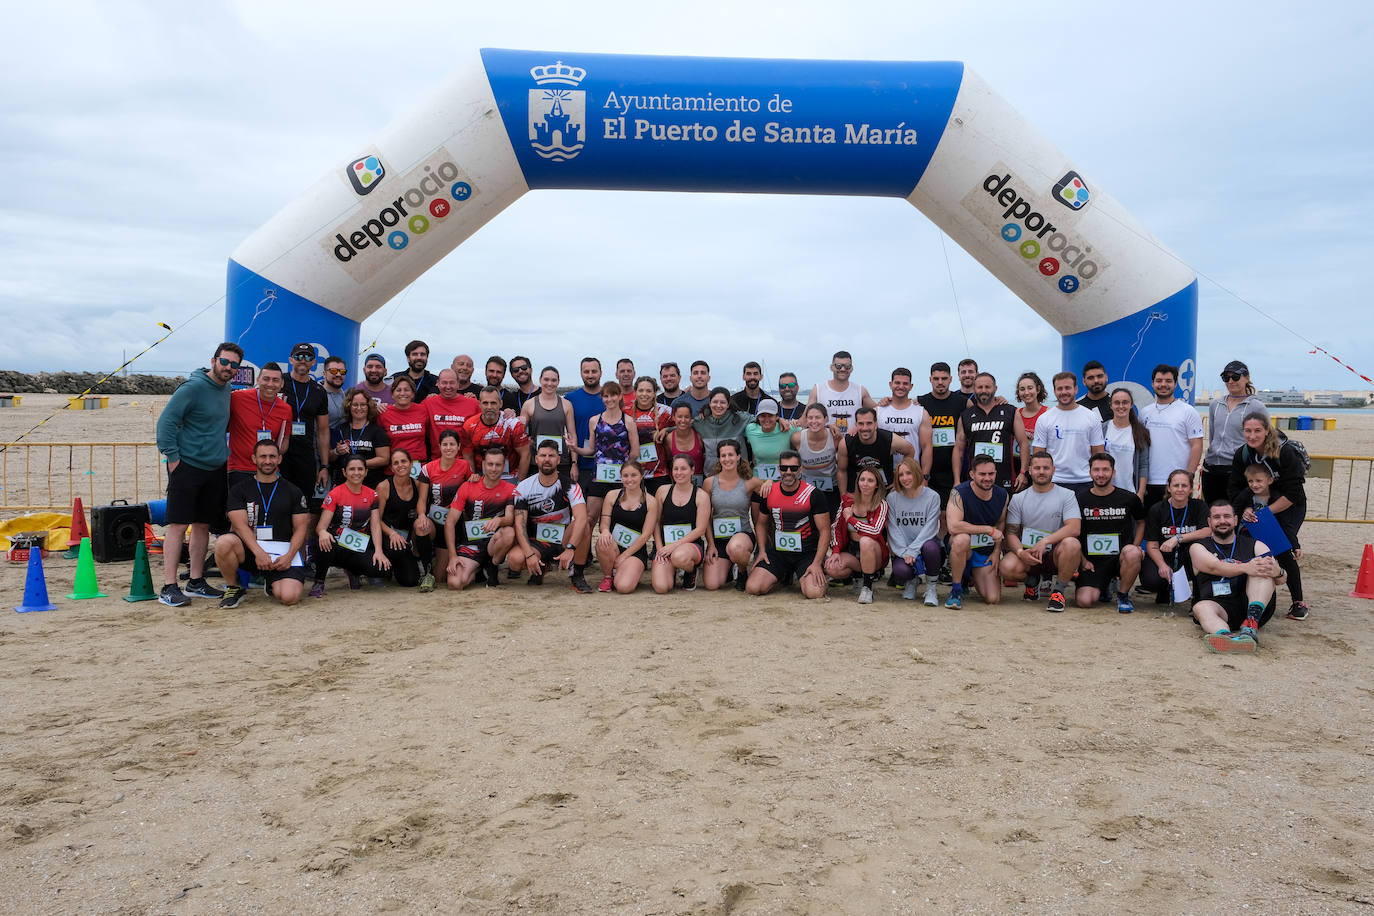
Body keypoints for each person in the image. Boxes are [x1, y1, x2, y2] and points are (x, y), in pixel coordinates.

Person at [154, 341, 238, 606]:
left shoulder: (227, 390)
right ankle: (168, 586)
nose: (228, 368)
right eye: (224, 362)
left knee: (203, 525)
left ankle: (196, 581)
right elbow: (166, 422)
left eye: (234, 365)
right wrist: (173, 457)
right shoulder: (193, 387)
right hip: (188, 465)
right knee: (178, 524)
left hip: (215, 467)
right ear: (213, 360)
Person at [1229, 412, 1308, 619]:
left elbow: (1294, 493)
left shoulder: (1286, 453)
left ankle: (1298, 602)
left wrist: (1265, 514)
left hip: (1288, 505)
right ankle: (1251, 595)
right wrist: (1244, 509)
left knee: (1282, 549)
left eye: (1257, 431)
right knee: (1249, 548)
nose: (1252, 435)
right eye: (1248, 431)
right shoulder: (1243, 454)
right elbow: (1235, 489)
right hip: (1256, 505)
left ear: (1267, 431)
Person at [216, 439, 310, 609]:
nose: (268, 461)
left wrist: (289, 556)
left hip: (282, 553)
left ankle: (270, 582)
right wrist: (259, 552)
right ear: (254, 459)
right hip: (252, 550)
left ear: (279, 459)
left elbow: (301, 528)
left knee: (290, 598)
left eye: (272, 456)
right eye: (263, 456)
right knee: (223, 542)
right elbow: (240, 526)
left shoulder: (293, 491)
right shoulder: (239, 490)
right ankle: (233, 588)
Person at [568, 381, 638, 586]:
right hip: (599, 478)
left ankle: (617, 563)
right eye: (605, 396)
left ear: (619, 397)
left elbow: (634, 453)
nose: (609, 399)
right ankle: (580, 563)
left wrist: (628, 474)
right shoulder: (594, 421)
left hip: (621, 481)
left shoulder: (629, 422)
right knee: (589, 519)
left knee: (618, 521)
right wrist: (576, 449)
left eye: (612, 396)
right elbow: (590, 449)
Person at [1190, 501, 1284, 653]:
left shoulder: (1256, 545)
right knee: (1200, 607)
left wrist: (1278, 572)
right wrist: (1246, 567)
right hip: (1219, 606)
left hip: (1252, 604)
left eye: (1227, 516)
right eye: (1216, 517)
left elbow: (1280, 578)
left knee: (1261, 571)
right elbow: (1215, 567)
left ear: (1235, 520)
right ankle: (1227, 638)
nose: (1222, 521)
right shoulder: (1198, 547)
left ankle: (1250, 626)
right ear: (1209, 522)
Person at [1001, 453, 1083, 613]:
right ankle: (1032, 582)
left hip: (1055, 554)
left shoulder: (1067, 495)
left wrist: (1045, 541)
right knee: (1007, 567)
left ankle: (1058, 592)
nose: (1041, 471)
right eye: (1037, 468)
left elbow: (1074, 528)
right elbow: (1011, 532)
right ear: (1029, 470)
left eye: (1046, 468)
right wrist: (1020, 552)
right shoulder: (1018, 498)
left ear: (1053, 470)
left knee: (1072, 544)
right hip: (1029, 554)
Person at [747, 450, 830, 599]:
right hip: (779, 553)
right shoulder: (770, 491)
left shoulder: (813, 494)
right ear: (779, 469)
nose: (788, 472)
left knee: (814, 593)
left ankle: (813, 572)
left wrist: (817, 562)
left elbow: (825, 531)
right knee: (753, 587)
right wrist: (762, 551)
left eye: (793, 468)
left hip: (806, 553)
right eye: (784, 468)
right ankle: (783, 574)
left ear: (800, 469)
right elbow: (760, 524)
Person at [508, 441, 590, 591]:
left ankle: (577, 574)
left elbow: (581, 517)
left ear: (558, 460)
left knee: (584, 525)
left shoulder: (570, 485)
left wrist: (571, 548)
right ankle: (540, 567)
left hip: (563, 538)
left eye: (551, 456)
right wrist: (529, 555)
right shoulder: (524, 487)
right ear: (536, 459)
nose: (547, 459)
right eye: (543, 455)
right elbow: (520, 525)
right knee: (515, 560)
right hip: (537, 541)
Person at [311, 455, 390, 597]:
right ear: (344, 472)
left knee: (380, 568)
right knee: (323, 541)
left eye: (360, 469)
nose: (356, 472)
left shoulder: (372, 494)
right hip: (335, 544)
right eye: (352, 469)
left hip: (358, 545)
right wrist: (323, 532)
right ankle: (319, 581)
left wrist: (379, 551)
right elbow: (320, 527)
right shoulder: (335, 493)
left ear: (366, 472)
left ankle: (353, 571)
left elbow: (375, 525)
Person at [1075, 453, 1145, 612]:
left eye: (1105, 470)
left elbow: (1141, 522)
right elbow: (1072, 531)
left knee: (1133, 553)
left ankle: (1123, 595)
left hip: (1121, 557)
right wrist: (1082, 559)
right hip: (1092, 562)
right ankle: (1104, 586)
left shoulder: (1129, 498)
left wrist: (1135, 546)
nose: (1101, 474)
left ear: (1113, 473)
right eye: (1096, 470)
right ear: (1090, 472)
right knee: (1084, 601)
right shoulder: (1079, 499)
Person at [1238, 462, 1307, 620]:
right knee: (1248, 565)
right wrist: (1245, 510)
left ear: (1269, 480)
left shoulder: (1276, 497)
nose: (1254, 485)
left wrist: (1295, 545)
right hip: (1249, 537)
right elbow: (1234, 509)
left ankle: (1298, 602)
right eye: (1250, 481)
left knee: (1289, 563)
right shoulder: (1245, 494)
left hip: (1274, 535)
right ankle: (1244, 599)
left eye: (1259, 481)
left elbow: (1286, 524)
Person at [445, 447, 519, 590]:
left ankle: (492, 565)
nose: (494, 468)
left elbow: (510, 518)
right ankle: (478, 570)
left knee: (509, 532)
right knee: (455, 584)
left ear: (504, 466)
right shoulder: (467, 486)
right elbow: (450, 522)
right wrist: (452, 556)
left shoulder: (511, 489)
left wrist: (500, 520)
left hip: (494, 543)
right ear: (483, 464)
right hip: (471, 544)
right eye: (490, 464)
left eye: (498, 465)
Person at [943, 453, 1009, 608]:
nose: (987, 478)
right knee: (961, 539)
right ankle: (956, 590)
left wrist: (996, 551)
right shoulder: (959, 492)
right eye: (982, 474)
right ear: (972, 474)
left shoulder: (1002, 495)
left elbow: (1001, 523)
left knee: (993, 598)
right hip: (963, 547)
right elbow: (953, 526)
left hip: (984, 551)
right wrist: (987, 530)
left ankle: (968, 575)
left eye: (991, 473)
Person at [1202, 360, 1268, 504]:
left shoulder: (1256, 406)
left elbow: (1265, 440)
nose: (1231, 381)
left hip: (1238, 470)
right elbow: (1213, 436)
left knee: (1236, 515)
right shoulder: (1215, 404)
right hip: (1211, 469)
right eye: (1226, 378)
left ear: (1247, 378)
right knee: (1213, 514)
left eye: (1235, 377)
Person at [1141, 469, 1210, 604]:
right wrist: (1162, 565)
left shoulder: (1199, 506)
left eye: (1184, 486)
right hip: (1163, 556)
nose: (1180, 489)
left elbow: (1207, 531)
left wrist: (1177, 538)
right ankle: (1164, 590)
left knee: (1200, 553)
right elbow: (1152, 545)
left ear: (1190, 489)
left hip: (1188, 557)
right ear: (1169, 488)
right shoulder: (1157, 509)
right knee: (1151, 580)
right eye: (1176, 485)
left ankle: (1198, 598)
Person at [1141, 364, 1204, 512]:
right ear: (1152, 383)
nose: (1163, 384)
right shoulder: (1144, 413)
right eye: (1159, 380)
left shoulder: (1188, 412)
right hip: (1149, 481)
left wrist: (1189, 476)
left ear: (1175, 384)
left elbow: (1197, 445)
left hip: (1177, 483)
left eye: (1168, 381)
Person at [702, 440, 763, 591]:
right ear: (719, 458)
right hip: (719, 539)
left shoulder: (751, 482)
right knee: (712, 584)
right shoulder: (709, 483)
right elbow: (705, 518)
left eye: (731, 455)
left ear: (738, 456)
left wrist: (768, 483)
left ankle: (742, 571)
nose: (727, 459)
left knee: (736, 548)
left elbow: (775, 491)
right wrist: (710, 545)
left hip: (742, 535)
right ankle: (728, 567)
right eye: (723, 455)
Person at [1031, 371, 1105, 494]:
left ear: (1075, 389)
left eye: (1068, 388)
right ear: (1054, 391)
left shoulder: (1091, 417)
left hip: (1085, 481)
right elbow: (1039, 456)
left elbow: (1098, 453)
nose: (1064, 392)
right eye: (1059, 388)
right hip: (1054, 481)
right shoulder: (1044, 419)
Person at [952, 372, 1026, 492]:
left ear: (995, 388)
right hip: (976, 478)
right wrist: (956, 480)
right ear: (974, 389)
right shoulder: (966, 415)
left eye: (987, 387)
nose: (984, 390)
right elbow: (958, 449)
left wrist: (1023, 472)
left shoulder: (1010, 411)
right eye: (980, 387)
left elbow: (1023, 443)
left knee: (1005, 509)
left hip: (1005, 475)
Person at [826, 467, 890, 605]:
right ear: (857, 482)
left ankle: (867, 587)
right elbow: (835, 528)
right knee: (832, 567)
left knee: (866, 541)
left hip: (874, 551)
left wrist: (851, 520)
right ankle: (858, 575)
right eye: (862, 479)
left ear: (877, 484)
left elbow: (875, 531)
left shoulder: (882, 504)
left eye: (870, 481)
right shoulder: (847, 501)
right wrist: (836, 551)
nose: (865, 484)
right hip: (852, 550)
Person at [374, 448, 436, 590]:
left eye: (403, 461)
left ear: (411, 464)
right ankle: (389, 567)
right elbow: (376, 519)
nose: (400, 465)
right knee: (397, 553)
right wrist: (392, 533)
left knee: (410, 581)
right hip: (389, 535)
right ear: (391, 468)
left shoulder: (418, 485)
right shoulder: (384, 487)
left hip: (409, 538)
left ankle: (426, 571)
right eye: (396, 463)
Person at [226, 360, 292, 490]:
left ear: (282, 384)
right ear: (258, 379)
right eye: (266, 379)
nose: (270, 384)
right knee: (238, 510)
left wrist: (273, 454)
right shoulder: (237, 398)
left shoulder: (286, 409)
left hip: (268, 471)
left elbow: (285, 439)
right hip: (239, 469)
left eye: (275, 380)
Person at [595, 459, 658, 594]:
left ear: (641, 476)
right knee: (602, 540)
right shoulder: (612, 496)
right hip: (612, 546)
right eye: (625, 476)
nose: (629, 479)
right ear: (621, 477)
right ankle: (608, 576)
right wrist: (605, 531)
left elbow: (646, 535)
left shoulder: (651, 501)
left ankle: (624, 571)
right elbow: (604, 522)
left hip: (635, 550)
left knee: (624, 587)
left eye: (633, 475)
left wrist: (624, 556)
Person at [886, 457, 942, 605]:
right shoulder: (892, 498)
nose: (904, 478)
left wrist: (913, 550)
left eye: (908, 473)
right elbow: (893, 529)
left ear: (917, 473)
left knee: (931, 548)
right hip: (904, 550)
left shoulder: (932, 497)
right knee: (900, 571)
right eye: (900, 475)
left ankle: (931, 588)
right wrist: (905, 553)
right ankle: (912, 581)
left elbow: (930, 528)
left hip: (925, 546)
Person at [419, 430, 473, 580]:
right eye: (445, 444)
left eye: (452, 444)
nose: (448, 448)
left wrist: (474, 478)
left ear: (458, 446)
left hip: (454, 521)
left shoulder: (464, 466)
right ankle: (424, 565)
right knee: (420, 525)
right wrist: (422, 515)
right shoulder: (428, 468)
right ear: (439, 446)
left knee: (441, 577)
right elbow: (422, 500)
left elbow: (471, 490)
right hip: (435, 522)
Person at [282, 342, 332, 507]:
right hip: (279, 454)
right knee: (278, 505)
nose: (303, 360)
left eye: (308, 357)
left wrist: (324, 466)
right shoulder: (279, 382)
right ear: (291, 360)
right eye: (299, 356)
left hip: (305, 458)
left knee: (302, 506)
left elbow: (323, 431)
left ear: (313, 362)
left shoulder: (319, 391)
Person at [653, 454, 711, 593]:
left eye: (683, 469)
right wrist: (660, 548)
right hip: (666, 547)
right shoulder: (662, 491)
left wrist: (674, 546)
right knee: (661, 588)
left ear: (692, 470)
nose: (679, 473)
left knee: (679, 556)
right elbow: (655, 522)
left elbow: (700, 529)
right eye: (676, 469)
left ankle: (690, 571)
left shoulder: (701, 495)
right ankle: (671, 571)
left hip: (690, 547)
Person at [917, 362, 963, 517]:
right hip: (928, 470)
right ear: (930, 379)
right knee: (927, 515)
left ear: (951, 379)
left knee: (947, 515)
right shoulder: (919, 402)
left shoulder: (962, 403)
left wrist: (998, 400)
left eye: (944, 378)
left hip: (953, 470)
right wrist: (885, 402)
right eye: (936, 378)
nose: (940, 382)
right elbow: (898, 408)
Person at [839, 406, 915, 494]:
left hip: (884, 490)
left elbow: (910, 451)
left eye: (869, 423)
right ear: (856, 424)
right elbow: (841, 471)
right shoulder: (846, 443)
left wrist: (898, 481)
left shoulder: (890, 440)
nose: (865, 428)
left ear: (875, 424)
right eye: (861, 423)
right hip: (857, 492)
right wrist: (844, 496)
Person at [461, 386, 531, 480]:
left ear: (500, 403)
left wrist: (520, 483)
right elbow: (468, 456)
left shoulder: (513, 424)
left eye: (493, 403)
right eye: (485, 403)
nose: (489, 407)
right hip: (482, 474)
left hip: (509, 475)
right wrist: (472, 477)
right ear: (479, 404)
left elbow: (525, 454)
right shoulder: (469, 426)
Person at [520, 366, 576, 479]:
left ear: (558, 382)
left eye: (553, 380)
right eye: (546, 379)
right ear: (540, 380)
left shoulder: (567, 405)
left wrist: (574, 463)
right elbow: (520, 434)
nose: (550, 383)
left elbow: (572, 436)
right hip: (537, 462)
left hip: (561, 461)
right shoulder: (529, 404)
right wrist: (526, 441)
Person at [328, 387, 391, 488]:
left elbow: (384, 459)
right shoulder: (340, 429)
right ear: (349, 406)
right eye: (355, 405)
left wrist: (358, 465)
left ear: (369, 406)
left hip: (370, 485)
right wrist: (336, 451)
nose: (359, 408)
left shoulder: (377, 431)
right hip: (343, 484)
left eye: (363, 405)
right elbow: (329, 457)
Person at [876, 367, 933, 478]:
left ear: (911, 386)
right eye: (897, 383)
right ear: (890, 384)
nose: (901, 387)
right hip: (884, 474)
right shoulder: (878, 411)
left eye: (905, 383)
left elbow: (927, 447)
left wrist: (925, 476)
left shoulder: (921, 412)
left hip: (911, 474)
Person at [790, 402, 840, 518]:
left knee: (831, 522)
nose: (814, 421)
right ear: (806, 420)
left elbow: (842, 465)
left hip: (831, 488)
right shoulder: (797, 438)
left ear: (826, 419)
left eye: (818, 417)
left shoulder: (835, 437)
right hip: (806, 489)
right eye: (810, 418)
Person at [808, 350, 875, 435]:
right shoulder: (818, 389)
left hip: (852, 441)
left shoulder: (860, 390)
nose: (843, 369)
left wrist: (888, 401)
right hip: (826, 441)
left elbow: (878, 412)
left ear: (851, 368)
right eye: (838, 366)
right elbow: (806, 417)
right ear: (831, 367)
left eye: (847, 366)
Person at [1101, 387, 1149, 500]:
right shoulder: (1102, 429)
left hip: (1130, 493)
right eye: (1117, 403)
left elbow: (1143, 465)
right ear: (1111, 405)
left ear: (1131, 405)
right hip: (1105, 492)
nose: (1121, 406)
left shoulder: (1140, 432)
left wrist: (1140, 493)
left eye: (1125, 402)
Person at [421, 368, 480, 459]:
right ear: (438, 383)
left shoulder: (473, 403)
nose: (448, 386)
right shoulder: (428, 403)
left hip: (464, 461)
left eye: (452, 383)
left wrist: (508, 412)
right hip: (437, 462)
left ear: (458, 384)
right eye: (444, 383)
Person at [626, 377, 672, 492]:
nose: (644, 394)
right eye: (641, 390)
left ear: (654, 393)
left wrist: (667, 429)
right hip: (633, 474)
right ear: (635, 392)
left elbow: (683, 426)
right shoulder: (625, 411)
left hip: (659, 473)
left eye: (648, 391)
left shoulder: (666, 412)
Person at [565, 356, 604, 484]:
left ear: (601, 373)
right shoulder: (570, 399)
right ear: (581, 373)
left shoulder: (610, 398)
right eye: (586, 372)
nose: (590, 375)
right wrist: (574, 463)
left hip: (606, 464)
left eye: (594, 371)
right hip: (580, 465)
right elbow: (568, 433)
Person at [694, 386, 751, 472]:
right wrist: (666, 430)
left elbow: (763, 420)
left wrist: (778, 419)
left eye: (723, 402)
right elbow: (682, 426)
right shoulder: (701, 422)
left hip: (739, 475)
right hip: (711, 476)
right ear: (709, 403)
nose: (718, 405)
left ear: (728, 404)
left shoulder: (740, 419)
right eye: (715, 402)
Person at [378, 375, 431, 467]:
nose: (402, 393)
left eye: (406, 390)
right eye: (398, 390)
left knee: (416, 482)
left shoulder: (423, 410)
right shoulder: (383, 413)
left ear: (413, 393)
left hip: (417, 464)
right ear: (392, 394)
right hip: (395, 465)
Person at [743, 399, 792, 482]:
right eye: (763, 416)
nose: (766, 419)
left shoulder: (787, 429)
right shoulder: (750, 429)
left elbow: (808, 431)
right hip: (758, 483)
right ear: (758, 417)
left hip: (782, 483)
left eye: (770, 415)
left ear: (776, 416)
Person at [662, 402, 706, 483]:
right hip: (679, 482)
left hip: (699, 483)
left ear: (691, 419)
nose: (683, 420)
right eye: (679, 417)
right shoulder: (669, 439)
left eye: (686, 417)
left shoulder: (699, 435)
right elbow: (668, 462)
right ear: (673, 418)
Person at [1015, 371, 1050, 444]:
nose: (1026, 392)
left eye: (1030, 388)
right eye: (1022, 389)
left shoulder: (1048, 414)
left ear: (1038, 389)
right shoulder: (1016, 413)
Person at [322, 355, 349, 428]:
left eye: (342, 371)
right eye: (333, 371)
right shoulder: (316, 396)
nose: (338, 374)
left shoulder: (347, 396)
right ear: (324, 374)